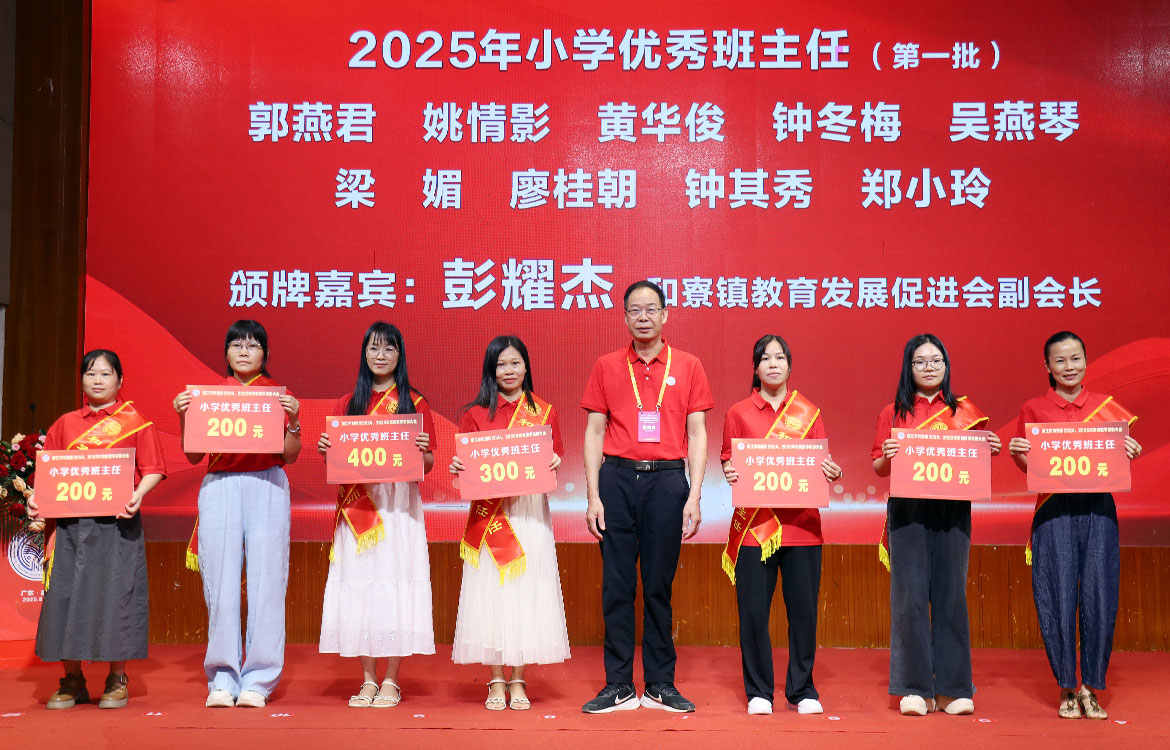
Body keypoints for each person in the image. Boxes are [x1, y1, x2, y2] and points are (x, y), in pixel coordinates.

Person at [581, 280, 714, 714]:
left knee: (658, 586)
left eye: (651, 309)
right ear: (624, 317)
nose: (643, 317)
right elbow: (594, 433)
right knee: (617, 587)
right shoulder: (606, 365)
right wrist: (592, 495)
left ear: (665, 315)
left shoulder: (689, 365)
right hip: (616, 481)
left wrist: (695, 496)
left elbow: (697, 434)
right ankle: (618, 684)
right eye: (635, 310)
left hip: (667, 482)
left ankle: (659, 684)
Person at [1007, 331, 1141, 720]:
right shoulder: (1033, 408)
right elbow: (1030, 467)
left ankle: (1091, 687)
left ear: (1086, 360)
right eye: (1060, 361)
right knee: (1057, 595)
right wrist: (1019, 454)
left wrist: (1129, 451)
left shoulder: (1107, 408)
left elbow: (1115, 458)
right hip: (1054, 511)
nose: (1069, 367)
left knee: (1100, 595)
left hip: (1099, 510)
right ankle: (1066, 685)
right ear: (1047, 367)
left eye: (1076, 358)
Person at [26, 349, 166, 710]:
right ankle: (72, 680)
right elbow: (47, 475)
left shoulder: (136, 422)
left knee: (117, 597)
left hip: (118, 526)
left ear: (120, 380)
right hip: (70, 528)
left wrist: (137, 495)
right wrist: (35, 502)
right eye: (90, 374)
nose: (98, 380)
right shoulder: (65, 424)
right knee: (65, 596)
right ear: (82, 381)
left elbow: (153, 468)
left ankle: (117, 679)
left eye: (105, 373)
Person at [173, 320, 301, 708]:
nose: (244, 351)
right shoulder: (210, 397)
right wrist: (184, 416)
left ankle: (259, 680)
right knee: (221, 583)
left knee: (267, 582)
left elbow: (290, 455)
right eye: (236, 345)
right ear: (226, 354)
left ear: (266, 353)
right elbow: (194, 455)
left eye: (253, 345)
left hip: (267, 485)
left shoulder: (278, 396)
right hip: (221, 486)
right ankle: (223, 678)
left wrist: (294, 420)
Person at [871, 333, 1000, 716]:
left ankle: (952, 689)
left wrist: (989, 448)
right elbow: (878, 467)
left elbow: (976, 463)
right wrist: (888, 455)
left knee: (951, 596)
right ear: (908, 368)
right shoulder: (893, 412)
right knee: (909, 599)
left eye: (936, 361)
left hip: (952, 511)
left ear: (946, 365)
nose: (929, 368)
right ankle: (915, 689)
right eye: (920, 362)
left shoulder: (966, 411)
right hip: (908, 512)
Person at [720, 335, 841, 716]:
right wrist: (729, 470)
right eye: (765, 358)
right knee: (754, 613)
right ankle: (759, 691)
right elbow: (729, 459)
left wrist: (831, 471)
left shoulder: (809, 413)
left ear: (789, 365)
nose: (773, 364)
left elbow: (819, 462)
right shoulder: (739, 412)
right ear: (755, 368)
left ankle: (802, 690)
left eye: (780, 358)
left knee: (803, 614)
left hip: (802, 528)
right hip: (756, 529)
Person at [317, 322, 436, 708]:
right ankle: (368, 678)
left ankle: (391, 679)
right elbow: (337, 462)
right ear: (364, 354)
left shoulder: (415, 403)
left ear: (400, 355)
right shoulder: (347, 403)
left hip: (398, 507)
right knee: (362, 586)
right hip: (360, 507)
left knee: (395, 584)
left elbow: (427, 465)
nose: (380, 355)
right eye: (373, 348)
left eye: (388, 349)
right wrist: (327, 449)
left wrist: (423, 451)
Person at [449, 335, 569, 711]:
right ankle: (496, 678)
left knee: (525, 593)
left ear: (526, 366)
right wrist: (458, 468)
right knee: (492, 595)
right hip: (492, 516)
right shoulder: (474, 414)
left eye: (515, 362)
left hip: (529, 513)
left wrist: (555, 463)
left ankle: (518, 678)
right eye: (501, 364)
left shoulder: (543, 412)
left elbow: (555, 459)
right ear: (491, 370)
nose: (509, 370)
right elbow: (464, 475)